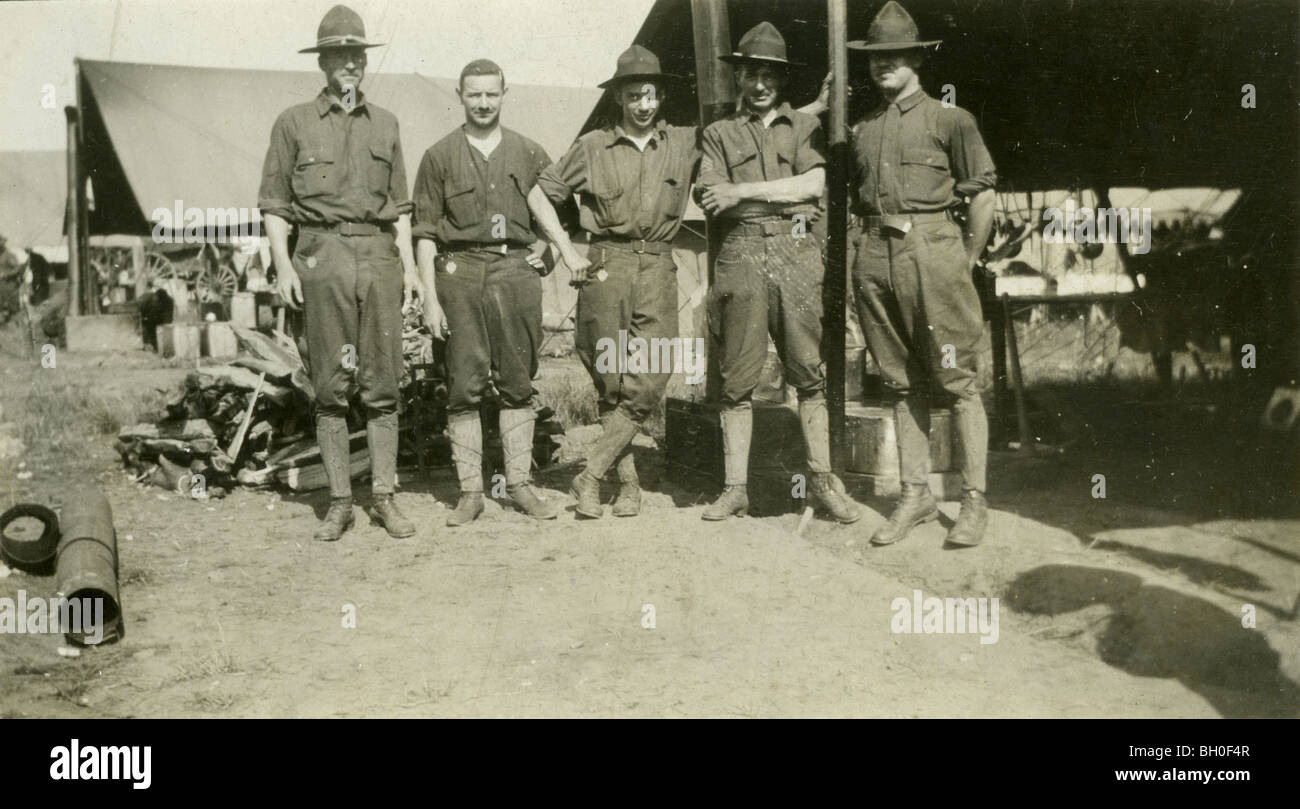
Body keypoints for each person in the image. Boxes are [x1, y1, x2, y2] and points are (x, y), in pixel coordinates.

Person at [258, 4, 422, 541]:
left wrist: (412, 275)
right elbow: (276, 206)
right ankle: (339, 503)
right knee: (330, 386)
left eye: (356, 54)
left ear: (363, 60)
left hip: (378, 258)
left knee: (382, 383)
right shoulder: (293, 123)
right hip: (320, 257)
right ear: (323, 62)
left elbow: (400, 209)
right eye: (339, 55)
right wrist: (284, 267)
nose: (349, 64)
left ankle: (385, 498)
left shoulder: (388, 124)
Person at [695, 22, 862, 524]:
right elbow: (711, 198)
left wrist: (744, 192)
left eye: (769, 74)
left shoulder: (805, 127)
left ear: (781, 80)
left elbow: (814, 185)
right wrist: (777, 195)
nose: (760, 83)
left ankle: (823, 485)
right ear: (740, 77)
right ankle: (735, 489)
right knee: (737, 379)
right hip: (741, 256)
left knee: (808, 374)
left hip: (796, 252)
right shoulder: (718, 133)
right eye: (751, 73)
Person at [848, 1, 997, 547]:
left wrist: (967, 259)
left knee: (957, 381)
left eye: (894, 56)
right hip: (874, 258)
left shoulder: (951, 121)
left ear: (916, 58)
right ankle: (916, 495)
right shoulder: (862, 129)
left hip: (933, 254)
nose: (882, 65)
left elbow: (982, 194)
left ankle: (974, 500)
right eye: (874, 58)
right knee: (898, 381)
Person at [527, 45, 698, 519]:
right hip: (605, 266)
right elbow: (540, 196)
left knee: (654, 371)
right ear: (618, 98)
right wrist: (565, 248)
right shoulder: (591, 147)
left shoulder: (684, 143)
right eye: (633, 95)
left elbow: (741, 135)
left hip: (658, 266)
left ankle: (592, 471)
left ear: (661, 97)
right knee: (610, 377)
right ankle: (628, 487)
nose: (643, 104)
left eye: (651, 95)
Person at [413, 59, 557, 526]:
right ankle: (471, 492)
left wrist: (548, 256)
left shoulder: (529, 152)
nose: (482, 103)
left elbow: (560, 220)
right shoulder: (438, 156)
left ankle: (519, 485)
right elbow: (425, 234)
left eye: (491, 94)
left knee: (518, 379)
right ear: (459, 95)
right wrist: (430, 299)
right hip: (459, 271)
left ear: (504, 93)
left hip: (515, 270)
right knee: (463, 384)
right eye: (473, 94)